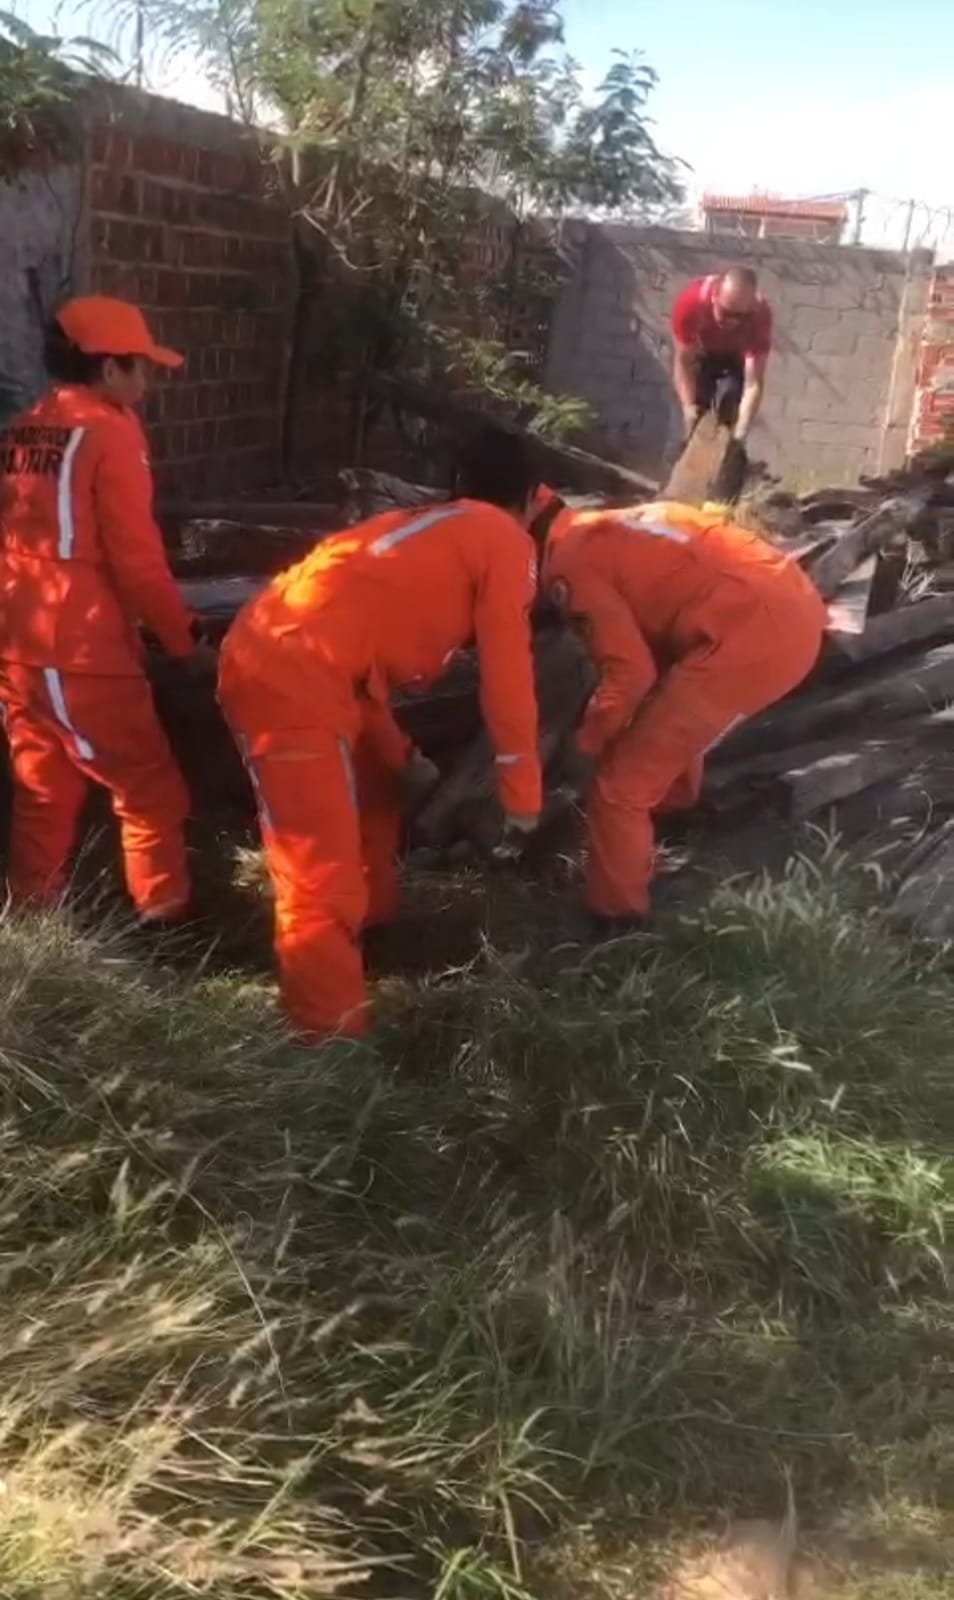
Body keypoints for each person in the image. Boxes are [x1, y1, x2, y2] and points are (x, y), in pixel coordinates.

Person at [217, 425, 543, 1040]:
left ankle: (372, 939)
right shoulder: (505, 540)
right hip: (289, 678)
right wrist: (521, 798)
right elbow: (509, 678)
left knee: (379, 795)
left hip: (298, 659)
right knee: (318, 878)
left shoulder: (426, 529)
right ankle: (328, 1044)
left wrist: (400, 755)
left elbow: (353, 657)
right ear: (529, 498)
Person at [0, 295, 212, 923]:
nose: (148, 381)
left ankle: (31, 923)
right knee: (149, 788)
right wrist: (185, 641)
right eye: (141, 367)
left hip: (19, 638)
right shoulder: (110, 432)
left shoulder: (26, 426)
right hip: (85, 651)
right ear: (109, 367)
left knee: (43, 789)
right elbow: (137, 562)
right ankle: (164, 923)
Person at [538, 496, 826, 932]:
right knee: (665, 722)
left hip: (754, 635)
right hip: (791, 606)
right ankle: (671, 823)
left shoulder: (568, 562)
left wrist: (587, 743)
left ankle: (616, 919)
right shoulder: (609, 524)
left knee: (619, 789)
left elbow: (630, 675)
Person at [671, 267, 773, 444]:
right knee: (692, 411)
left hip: (735, 355)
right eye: (726, 313)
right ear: (714, 297)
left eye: (740, 316)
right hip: (700, 350)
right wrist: (688, 408)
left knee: (731, 398)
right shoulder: (691, 303)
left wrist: (741, 430)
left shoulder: (760, 315)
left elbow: (753, 382)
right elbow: (683, 363)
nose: (732, 321)